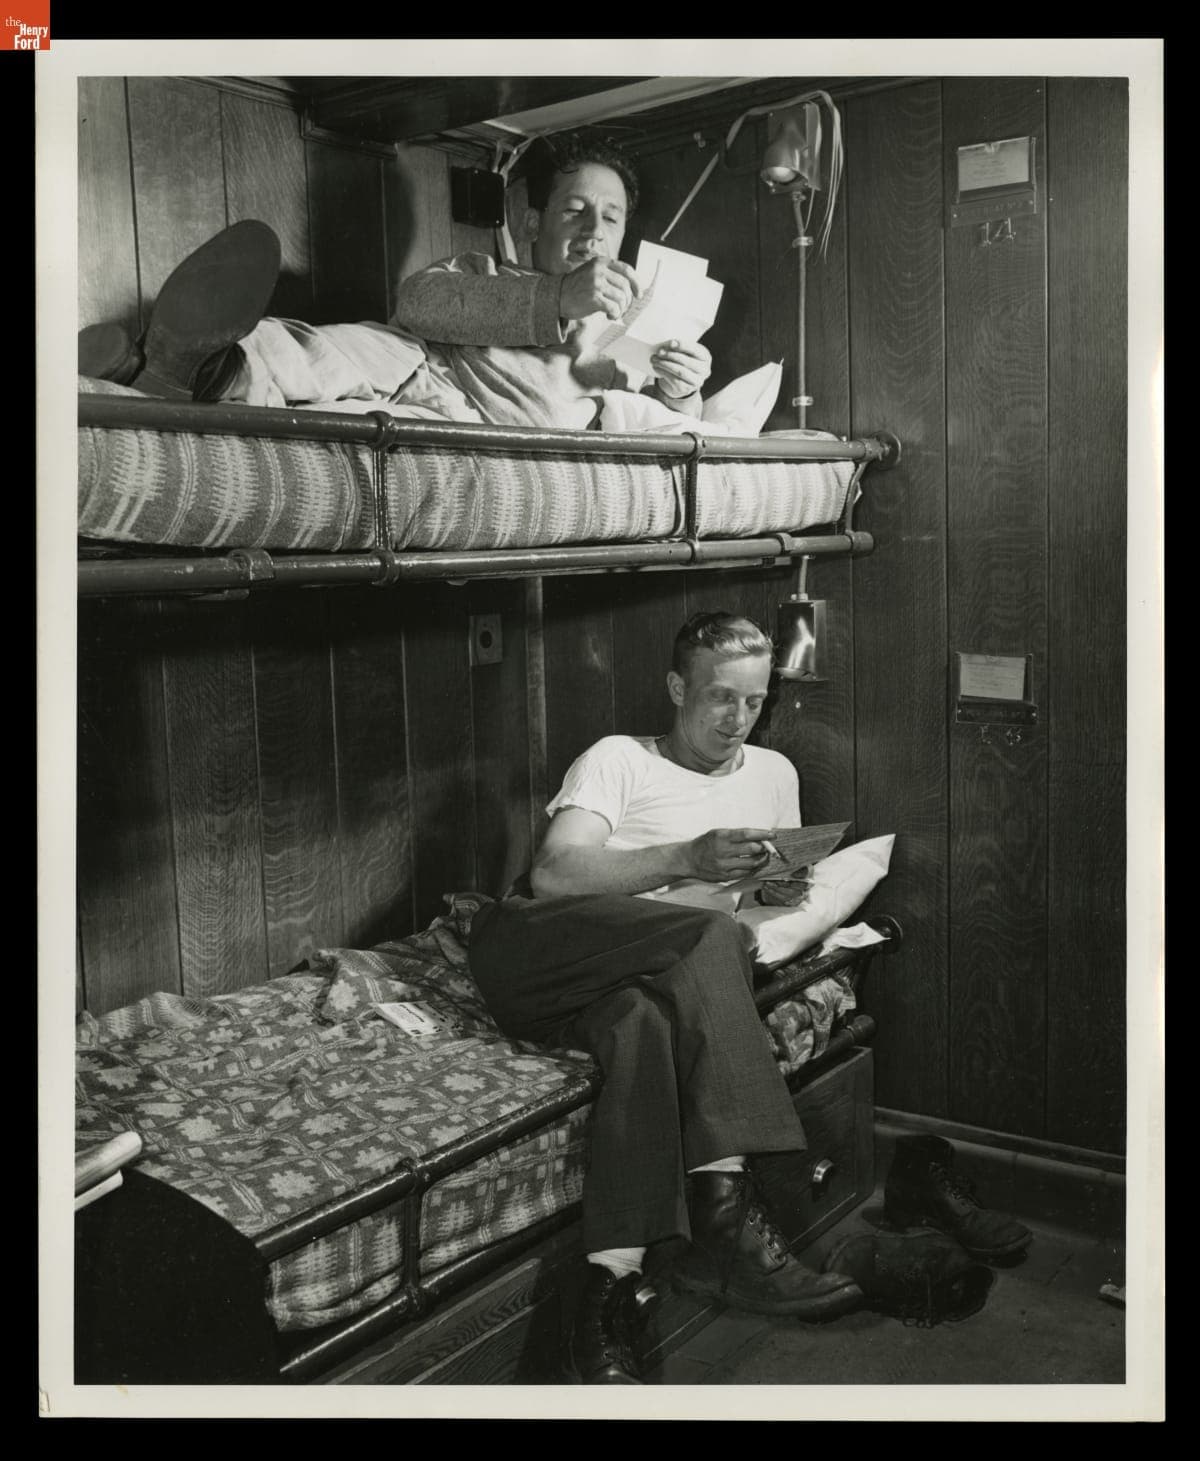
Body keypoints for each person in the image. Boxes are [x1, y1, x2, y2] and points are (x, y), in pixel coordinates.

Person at [466, 612, 863, 1385]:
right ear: (678, 687)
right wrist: (685, 857)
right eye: (719, 697)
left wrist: (777, 885)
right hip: (537, 951)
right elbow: (554, 876)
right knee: (714, 942)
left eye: (754, 701)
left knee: (642, 1023)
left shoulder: (774, 773)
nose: (736, 720)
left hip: (637, 979)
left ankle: (606, 1290)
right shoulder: (619, 760)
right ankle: (726, 1209)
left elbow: (760, 899)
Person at [77, 132, 714, 430]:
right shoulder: (486, 270)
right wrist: (554, 297)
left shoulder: (627, 338)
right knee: (325, 349)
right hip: (424, 360)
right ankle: (191, 361)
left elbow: (661, 421)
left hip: (466, 420)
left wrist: (684, 391)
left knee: (360, 404)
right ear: (530, 222)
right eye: (574, 210)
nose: (592, 230)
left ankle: (146, 370)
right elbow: (418, 302)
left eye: (610, 217)